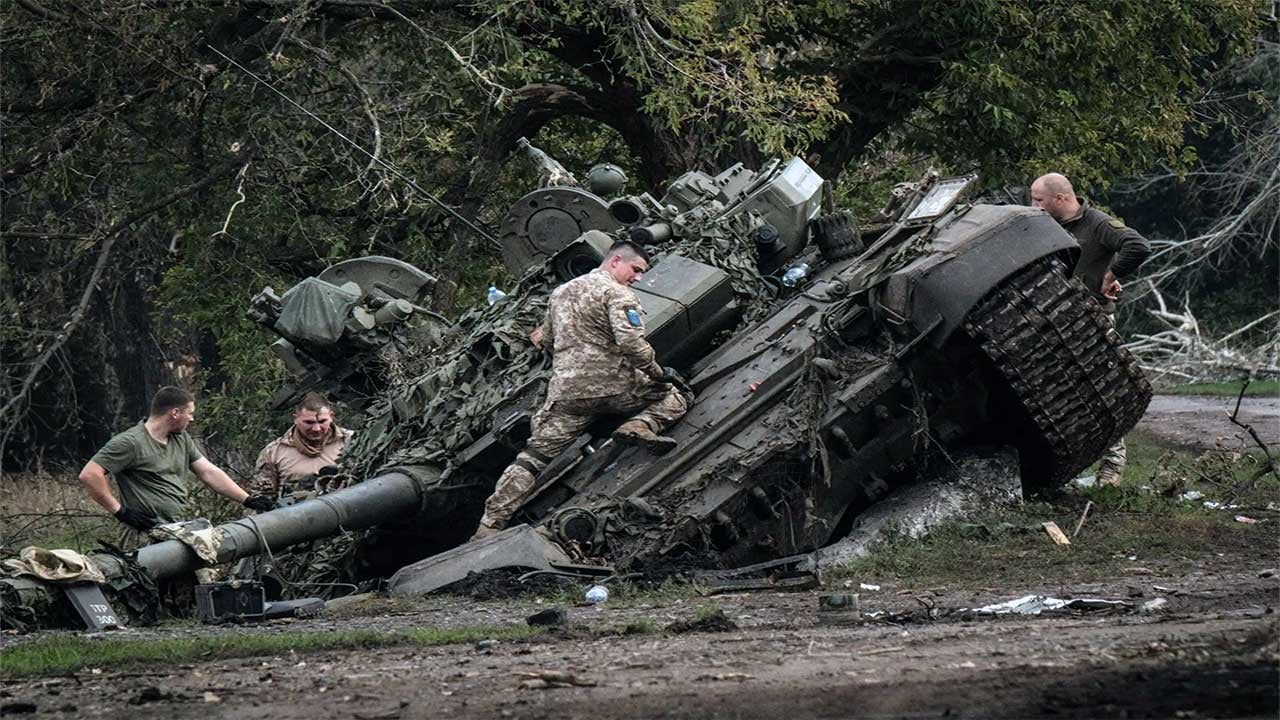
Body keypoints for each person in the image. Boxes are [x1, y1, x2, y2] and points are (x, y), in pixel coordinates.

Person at [471, 240, 690, 540]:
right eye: (636, 270)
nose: (638, 278)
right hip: (616, 386)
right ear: (615, 261)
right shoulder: (618, 294)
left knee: (531, 459)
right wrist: (658, 374)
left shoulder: (560, 293)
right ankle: (640, 425)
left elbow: (543, 339)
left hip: (567, 395)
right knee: (676, 396)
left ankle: (488, 526)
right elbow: (631, 344)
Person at [1031, 172, 1152, 485]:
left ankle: (1111, 468)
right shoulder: (1042, 225)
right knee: (1059, 397)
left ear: (1060, 198)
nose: (1034, 205)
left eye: (1038, 200)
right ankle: (1067, 468)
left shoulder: (1097, 224)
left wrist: (1112, 273)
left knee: (1103, 393)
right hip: (1053, 322)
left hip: (1093, 320)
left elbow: (1137, 245)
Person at [78, 386, 277, 534]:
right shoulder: (130, 442)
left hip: (177, 529)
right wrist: (120, 511)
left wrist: (248, 499)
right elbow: (90, 474)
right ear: (174, 413)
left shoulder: (180, 438)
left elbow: (209, 472)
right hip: (145, 532)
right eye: (189, 413)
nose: (192, 419)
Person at [252, 393, 352, 497]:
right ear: (296, 419)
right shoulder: (274, 452)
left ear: (331, 416)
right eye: (309, 422)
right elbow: (262, 498)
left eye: (322, 421)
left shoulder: (352, 441)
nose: (316, 428)